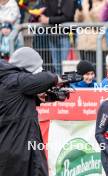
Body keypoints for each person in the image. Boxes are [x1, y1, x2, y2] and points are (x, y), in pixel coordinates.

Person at [0, 47, 61, 176]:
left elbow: (19, 103)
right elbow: (47, 77)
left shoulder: (8, 82)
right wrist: (58, 78)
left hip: (14, 148)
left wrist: (40, 98)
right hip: (19, 152)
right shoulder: (17, 81)